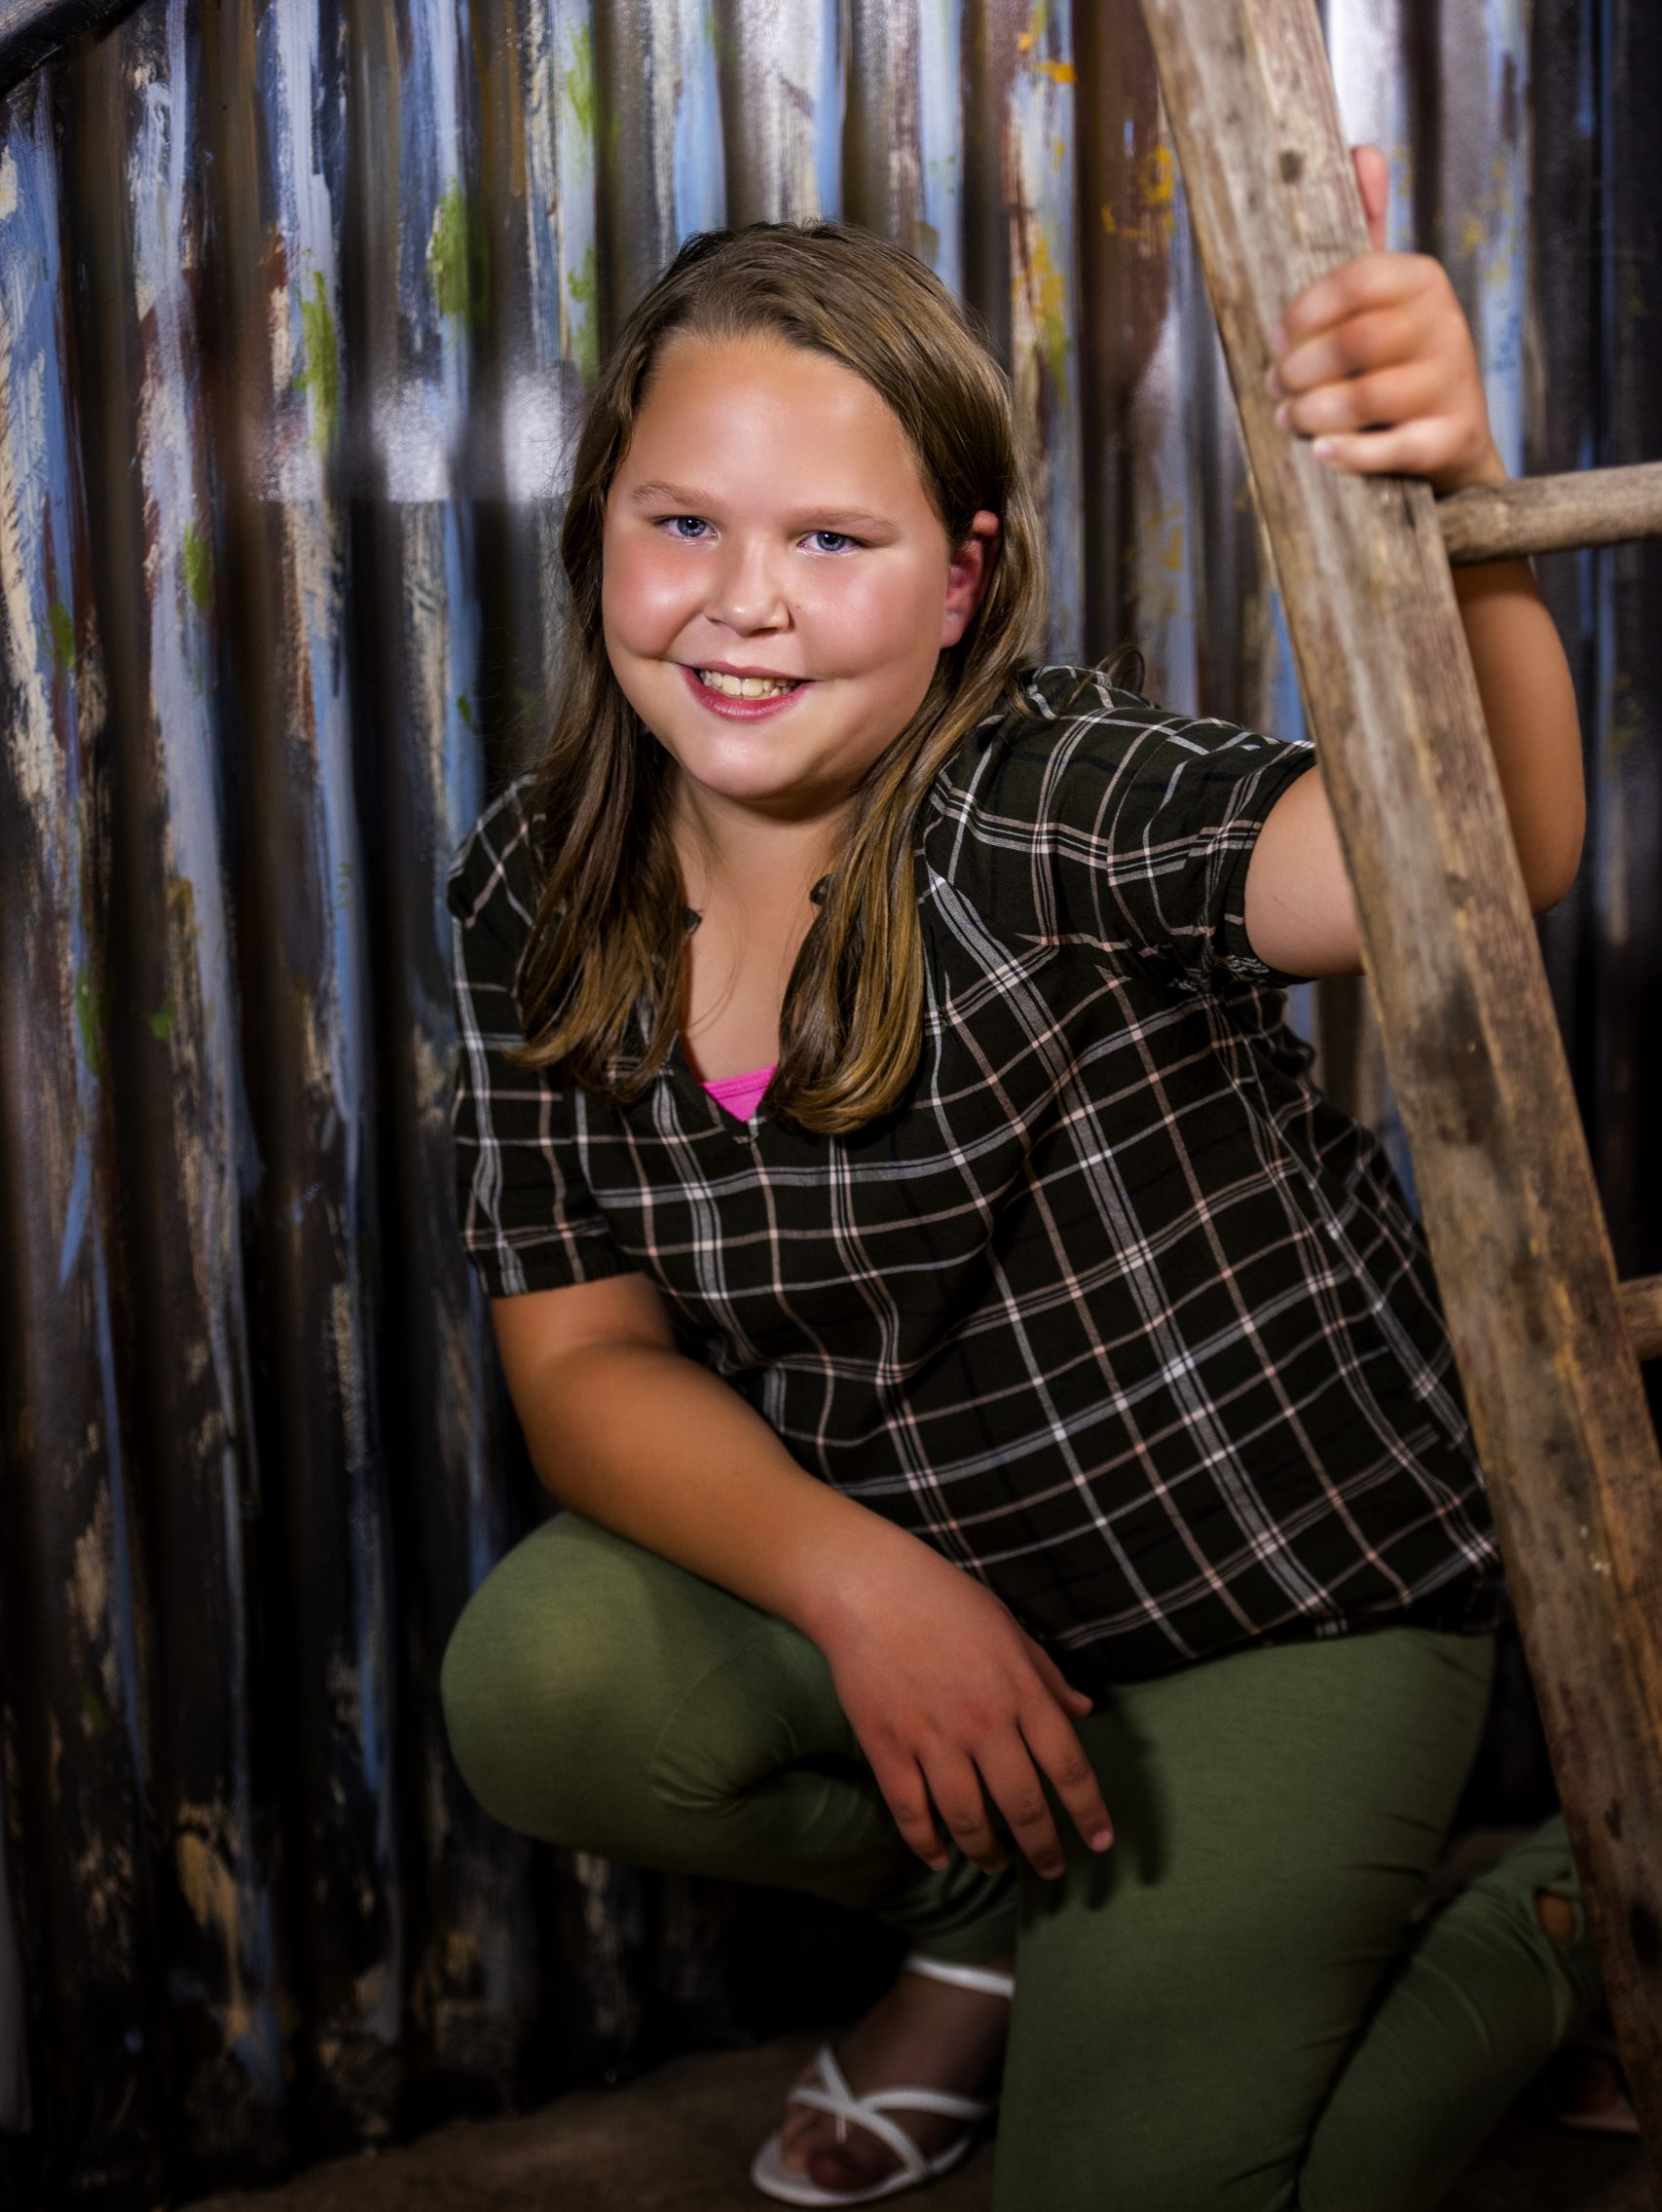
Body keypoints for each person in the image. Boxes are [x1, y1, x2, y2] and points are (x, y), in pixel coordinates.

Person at [438, 154, 1612, 2212]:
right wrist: (859, 1584)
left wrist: (1458, 504)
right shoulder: (537, 884)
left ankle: (1583, 1903)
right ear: (593, 535)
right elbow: (582, 1356)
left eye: (833, 538)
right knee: (543, 1687)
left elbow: (1475, 856)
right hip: (948, 1590)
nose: (745, 599)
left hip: (1273, 1600)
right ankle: (1004, 1900)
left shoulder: (1043, 799)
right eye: (680, 522)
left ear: (965, 579)